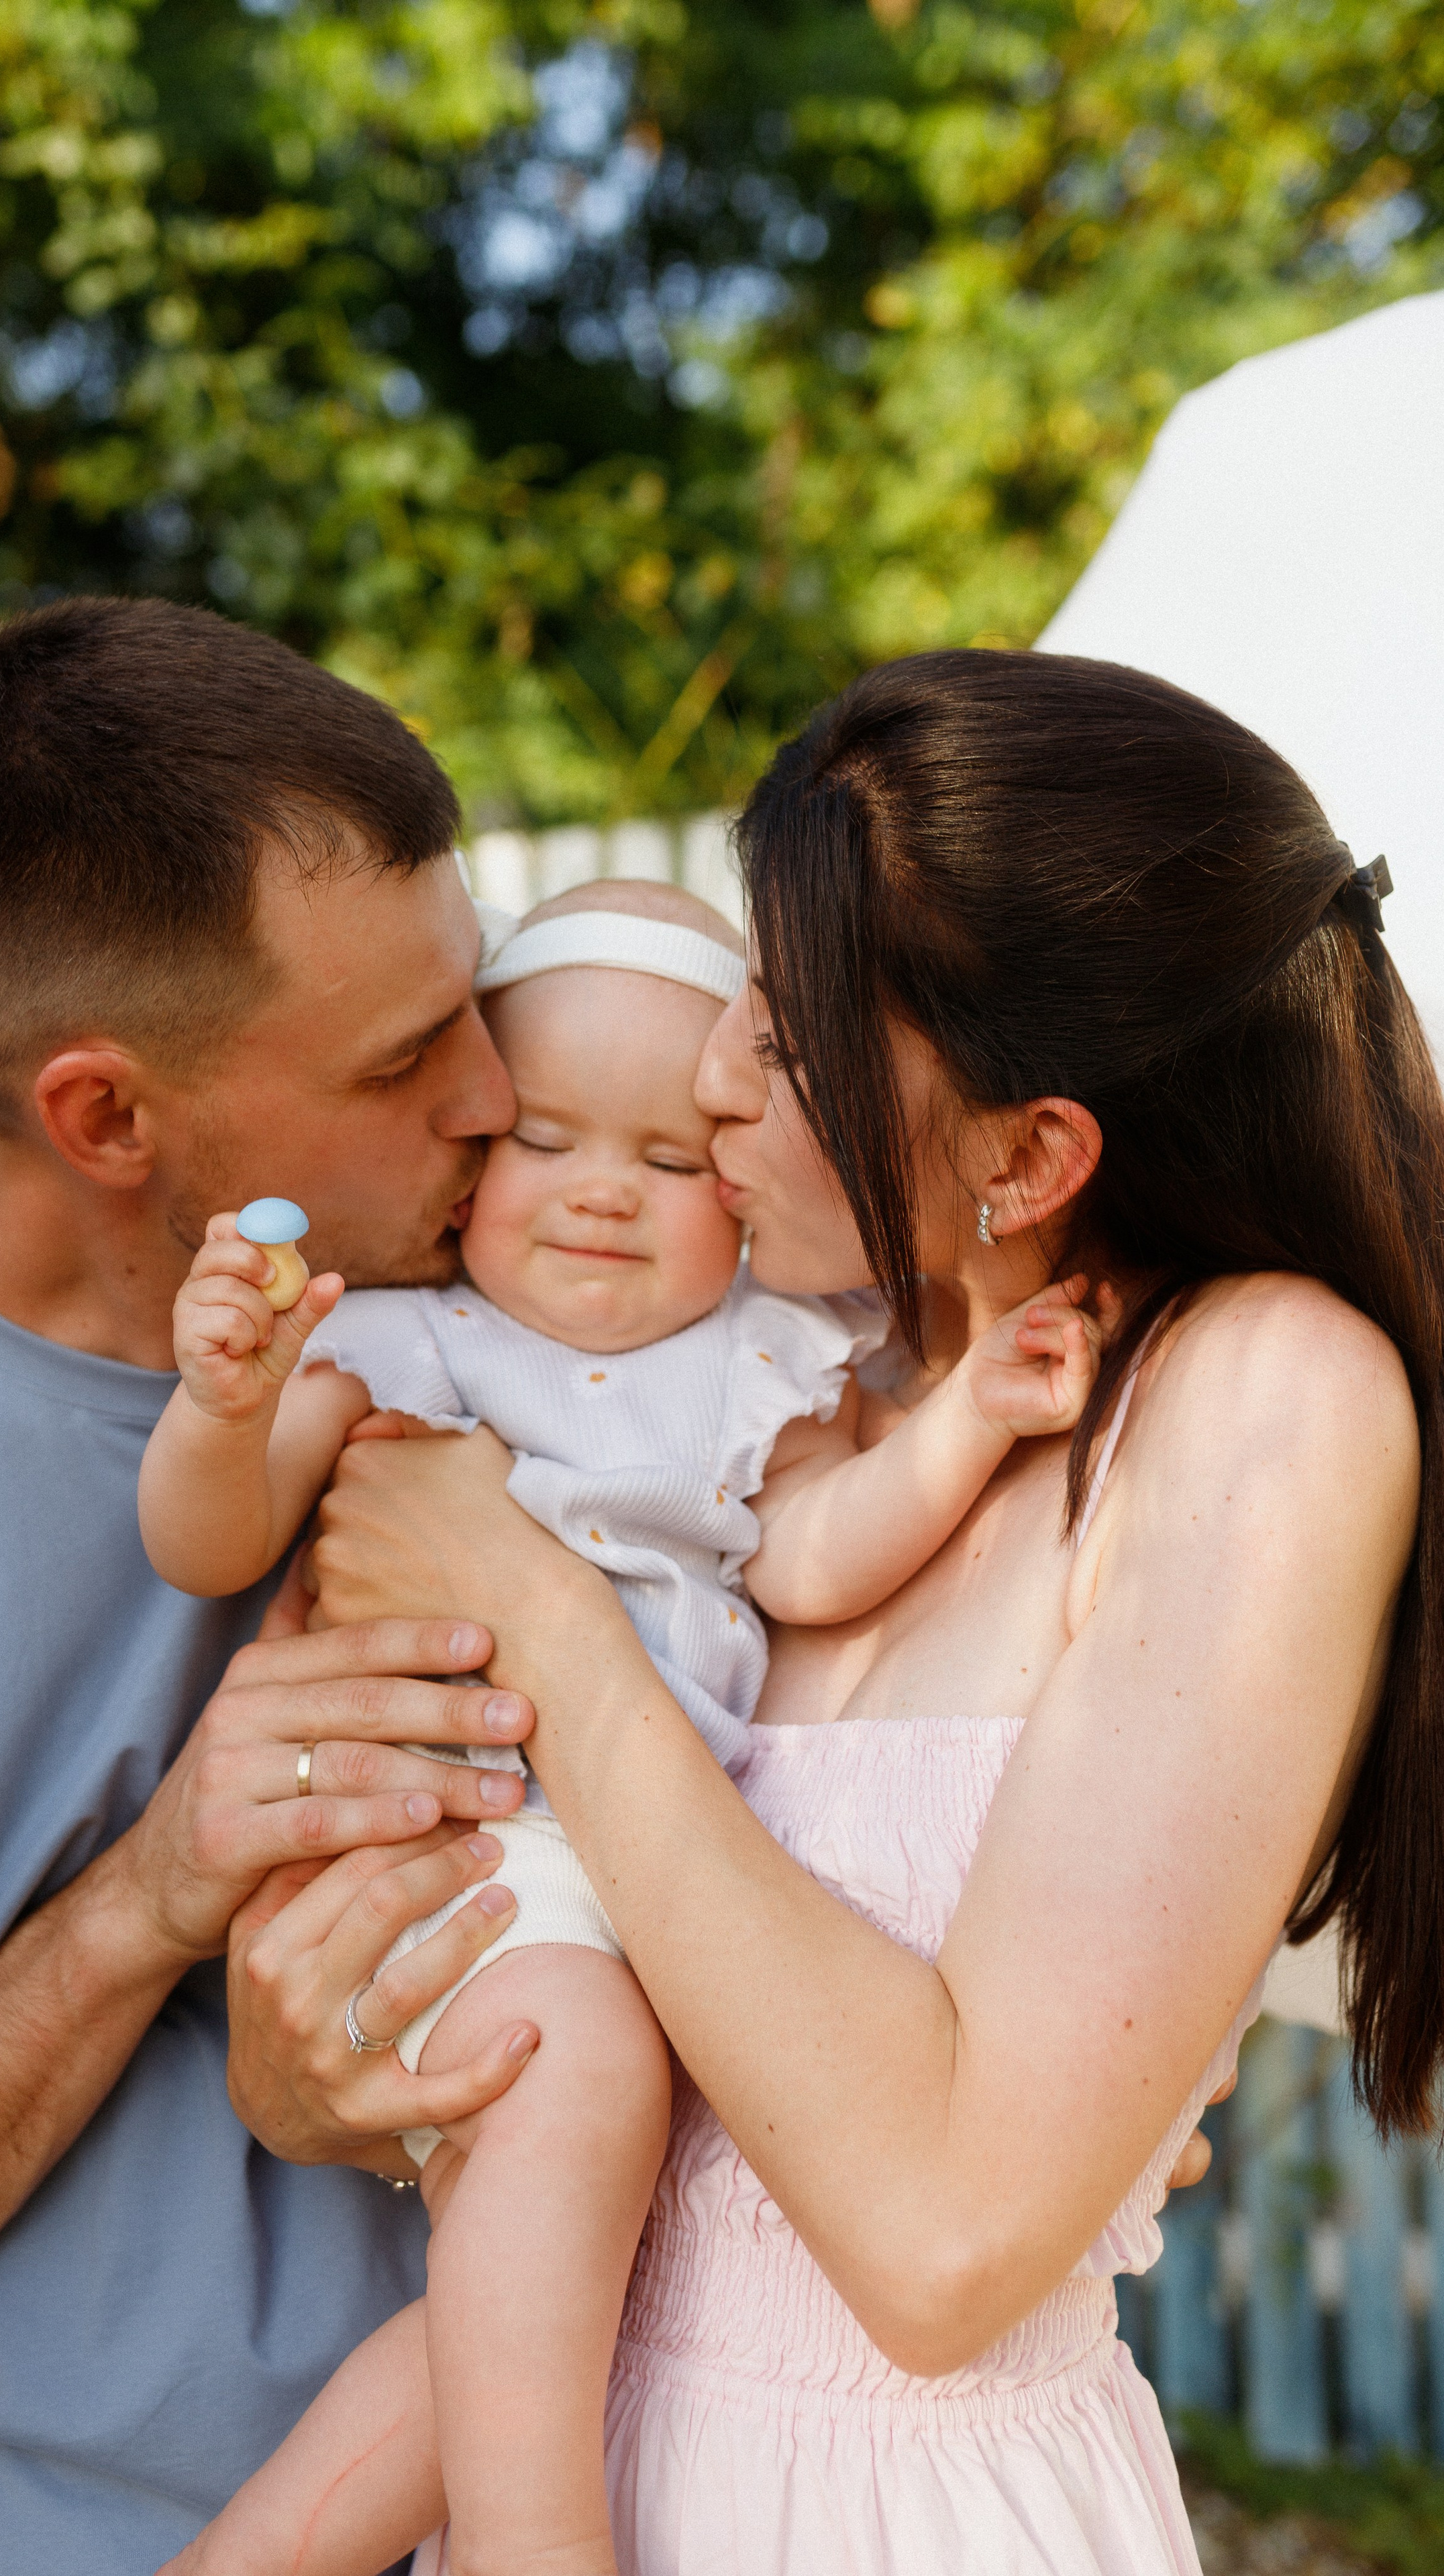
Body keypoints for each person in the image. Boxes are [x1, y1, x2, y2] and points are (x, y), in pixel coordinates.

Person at [270, 649, 1441, 2573]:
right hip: (557, 2464)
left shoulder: (1256, 1395)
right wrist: (311, 2058)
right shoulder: (795, 1384)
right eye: (743, 999)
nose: (710, 1080)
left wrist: (540, 1620)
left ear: (1029, 1152)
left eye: (789, 1046)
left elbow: (939, 2247)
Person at [0, 598, 562, 2576]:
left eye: (477, 1005)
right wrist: (145, 1899)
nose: (496, 1098)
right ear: (107, 1115)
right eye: (403, 1058)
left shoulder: (567, 1320)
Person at [141, 876, 1104, 2575]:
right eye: (546, 1140)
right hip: (459, 1855)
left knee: (548, 2275)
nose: (601, 1192)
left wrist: (963, 1421)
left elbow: (808, 1557)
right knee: (570, 2102)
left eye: (670, 1161)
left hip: (641, 1883)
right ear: (470, 1163)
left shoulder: (761, 1363)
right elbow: (203, 1545)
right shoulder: (401, 1344)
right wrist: (226, 1412)